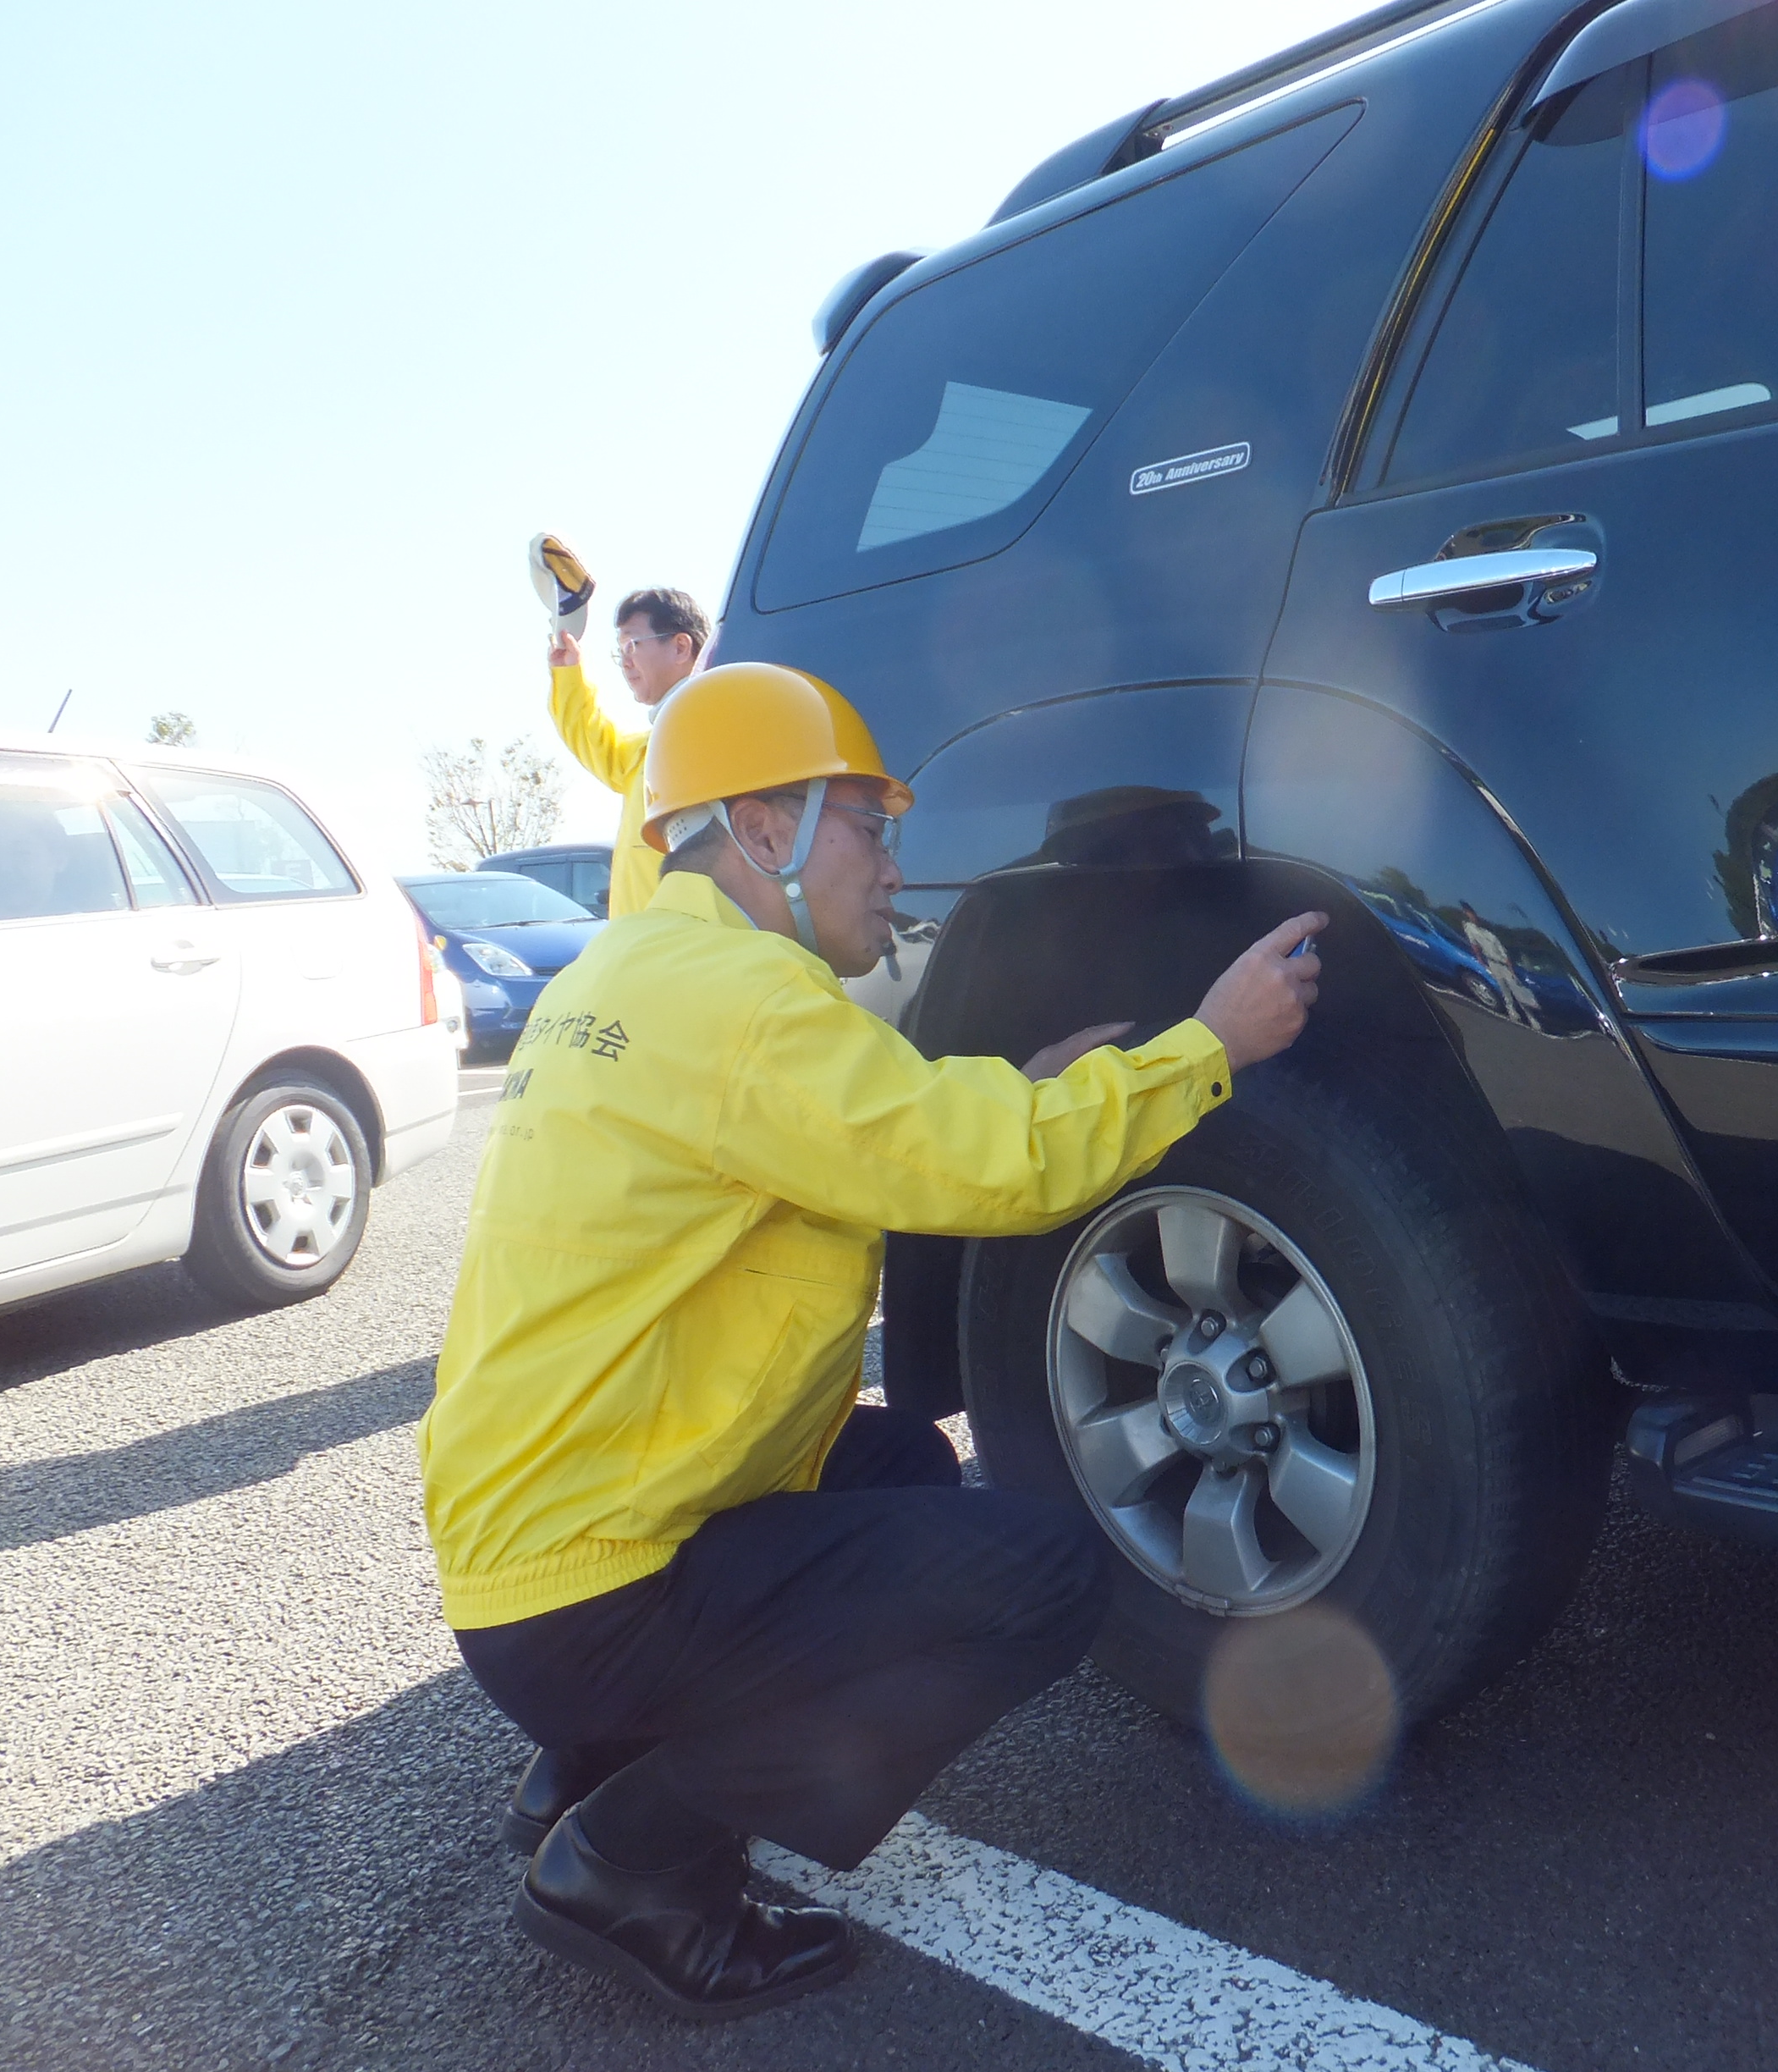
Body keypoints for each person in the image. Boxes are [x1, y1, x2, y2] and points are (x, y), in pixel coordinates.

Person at [419, 659, 1328, 2022]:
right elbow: (987, 1170)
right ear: (765, 829)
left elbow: (850, 1139)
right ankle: (628, 1859)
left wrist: (1014, 1092)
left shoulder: (645, 969)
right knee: (1039, 1578)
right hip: (588, 1586)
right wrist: (1207, 1041)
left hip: (536, 1543)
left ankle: (588, 1759)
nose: (895, 867)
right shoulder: (742, 1005)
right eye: (869, 825)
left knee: (897, 1460)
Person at [547, 587, 707, 918]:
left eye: (633, 644)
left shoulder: (717, 725)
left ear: (680, 646)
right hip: (650, 950)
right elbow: (593, 739)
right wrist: (569, 672)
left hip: (687, 951)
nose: (625, 661)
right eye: (620, 650)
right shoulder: (651, 748)